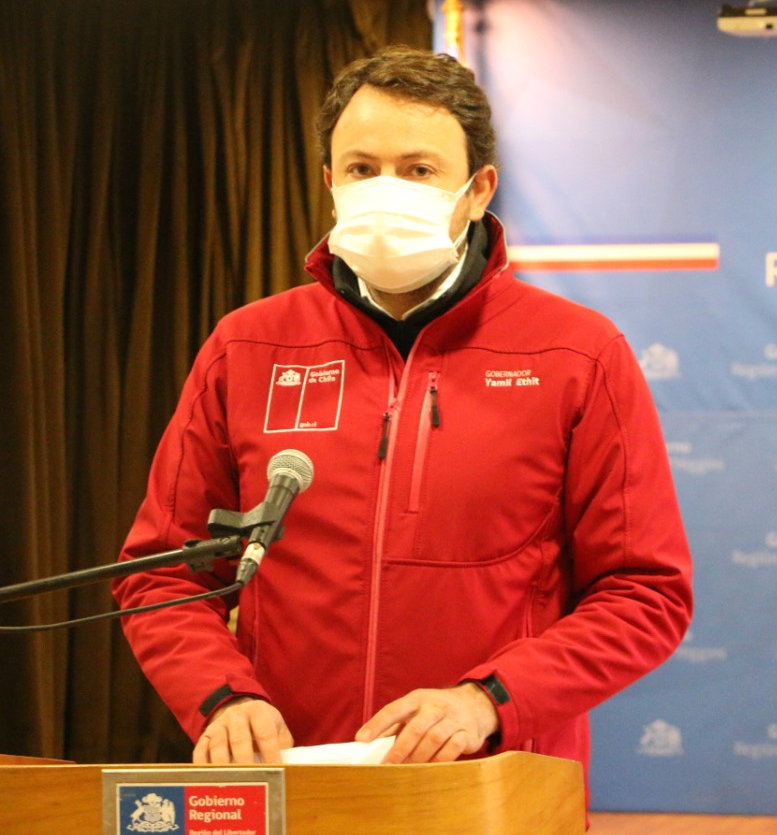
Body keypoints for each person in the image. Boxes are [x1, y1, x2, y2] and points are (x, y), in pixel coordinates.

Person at [112, 46, 694, 794]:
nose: (386, 191)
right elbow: (162, 574)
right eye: (362, 169)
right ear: (330, 182)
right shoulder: (248, 346)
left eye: (419, 170)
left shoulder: (577, 354)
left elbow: (645, 592)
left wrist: (489, 700)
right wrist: (222, 697)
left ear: (478, 190)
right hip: (291, 784)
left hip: (487, 789)